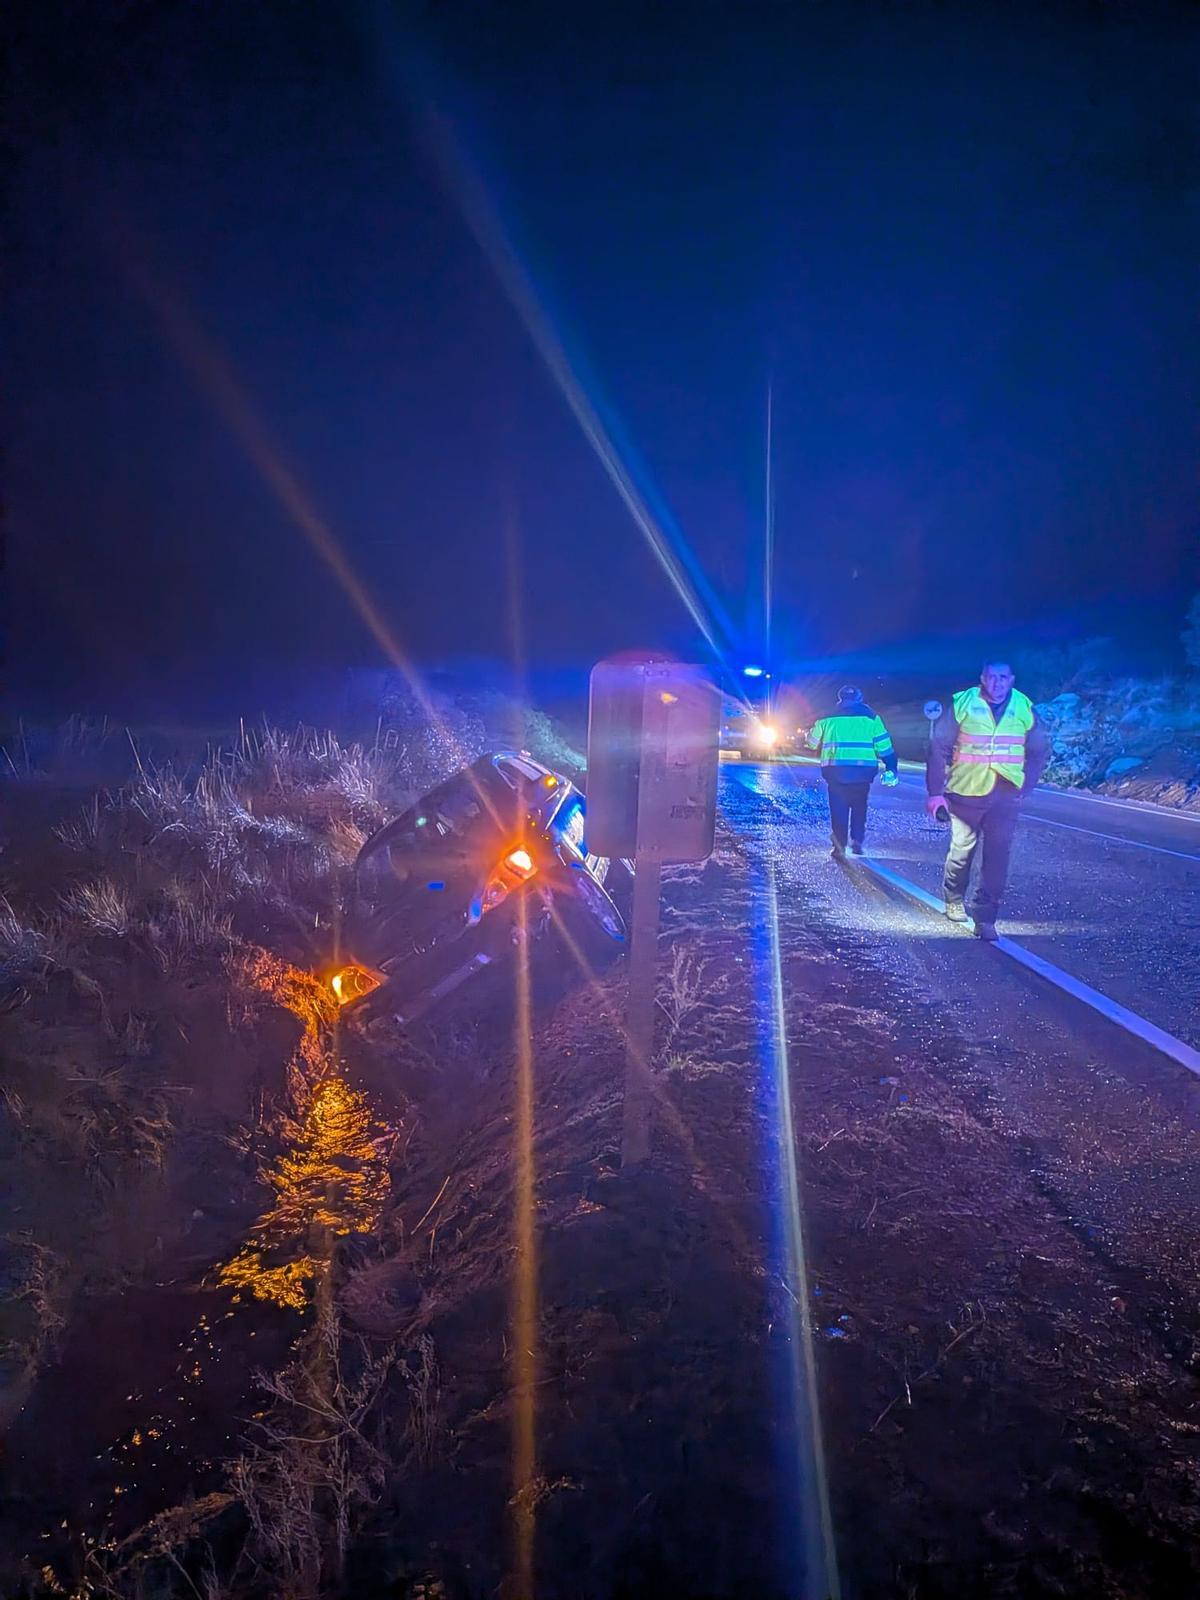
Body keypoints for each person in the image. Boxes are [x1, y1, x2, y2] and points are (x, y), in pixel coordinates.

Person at [926, 660, 1050, 941]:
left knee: (998, 856)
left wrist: (1026, 784)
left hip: (1005, 794)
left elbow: (1039, 749)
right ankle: (954, 898)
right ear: (983, 678)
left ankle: (985, 918)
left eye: (1003, 677)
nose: (997, 683)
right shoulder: (964, 703)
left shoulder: (1024, 707)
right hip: (965, 791)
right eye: (992, 677)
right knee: (962, 850)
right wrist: (935, 792)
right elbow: (938, 747)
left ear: (1012, 679)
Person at [806, 686, 899, 859]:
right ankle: (857, 841)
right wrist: (891, 767)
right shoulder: (871, 716)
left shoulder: (826, 716)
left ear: (840, 697)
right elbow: (884, 746)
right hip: (862, 772)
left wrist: (809, 735)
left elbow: (811, 743)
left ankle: (839, 846)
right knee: (859, 807)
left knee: (838, 809)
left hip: (835, 771)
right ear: (859, 697)